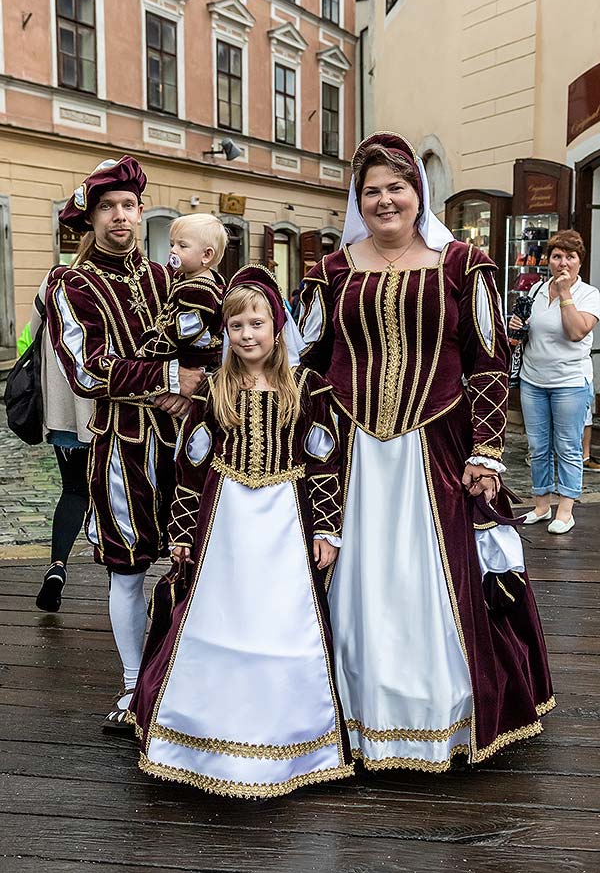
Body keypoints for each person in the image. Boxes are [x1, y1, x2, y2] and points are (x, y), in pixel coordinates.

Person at [298, 131, 554, 772]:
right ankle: (359, 721)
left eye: (397, 188)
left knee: (428, 580)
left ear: (419, 194)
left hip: (435, 450)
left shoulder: (463, 265)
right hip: (351, 450)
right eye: (372, 191)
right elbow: (302, 357)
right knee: (359, 581)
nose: (386, 201)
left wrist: (487, 449)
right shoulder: (330, 272)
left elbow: (491, 362)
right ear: (358, 201)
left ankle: (436, 717)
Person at [127, 264, 353, 799]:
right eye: (235, 327)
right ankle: (205, 737)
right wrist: (182, 531)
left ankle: (291, 740)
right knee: (219, 615)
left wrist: (327, 530)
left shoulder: (307, 387)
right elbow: (190, 464)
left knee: (282, 619)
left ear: (277, 325)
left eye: (256, 323)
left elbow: (324, 460)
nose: (247, 335)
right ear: (225, 332)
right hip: (226, 519)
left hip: (284, 518)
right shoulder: (214, 387)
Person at [46, 156, 205, 729]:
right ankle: (133, 685)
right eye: (108, 207)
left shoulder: (167, 276)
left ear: (141, 213)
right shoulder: (71, 284)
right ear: (90, 218)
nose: (120, 216)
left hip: (188, 441)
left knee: (200, 560)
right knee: (129, 569)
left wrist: (196, 386)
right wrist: (167, 382)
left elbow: (202, 346)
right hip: (123, 449)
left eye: (129, 206)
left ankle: (187, 672)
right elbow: (88, 371)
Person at [510, 230, 600, 533]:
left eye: (570, 257)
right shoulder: (535, 290)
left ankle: (566, 509)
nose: (563, 263)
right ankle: (541, 504)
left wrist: (565, 295)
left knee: (568, 447)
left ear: (579, 262)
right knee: (537, 446)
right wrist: (516, 326)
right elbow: (524, 334)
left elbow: (576, 331)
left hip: (569, 383)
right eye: (557, 256)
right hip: (533, 380)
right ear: (548, 260)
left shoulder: (589, 294)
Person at [31, 250, 94, 612]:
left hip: (64, 413)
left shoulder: (53, 281)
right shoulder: (114, 290)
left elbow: (32, 335)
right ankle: (124, 578)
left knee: (73, 490)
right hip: (108, 413)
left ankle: (57, 567)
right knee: (117, 492)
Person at [137, 214, 227, 372]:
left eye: (182, 246)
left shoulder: (199, 292)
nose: (173, 250)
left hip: (192, 362)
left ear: (206, 255)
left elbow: (181, 333)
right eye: (172, 244)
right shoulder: (189, 277)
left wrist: (149, 351)